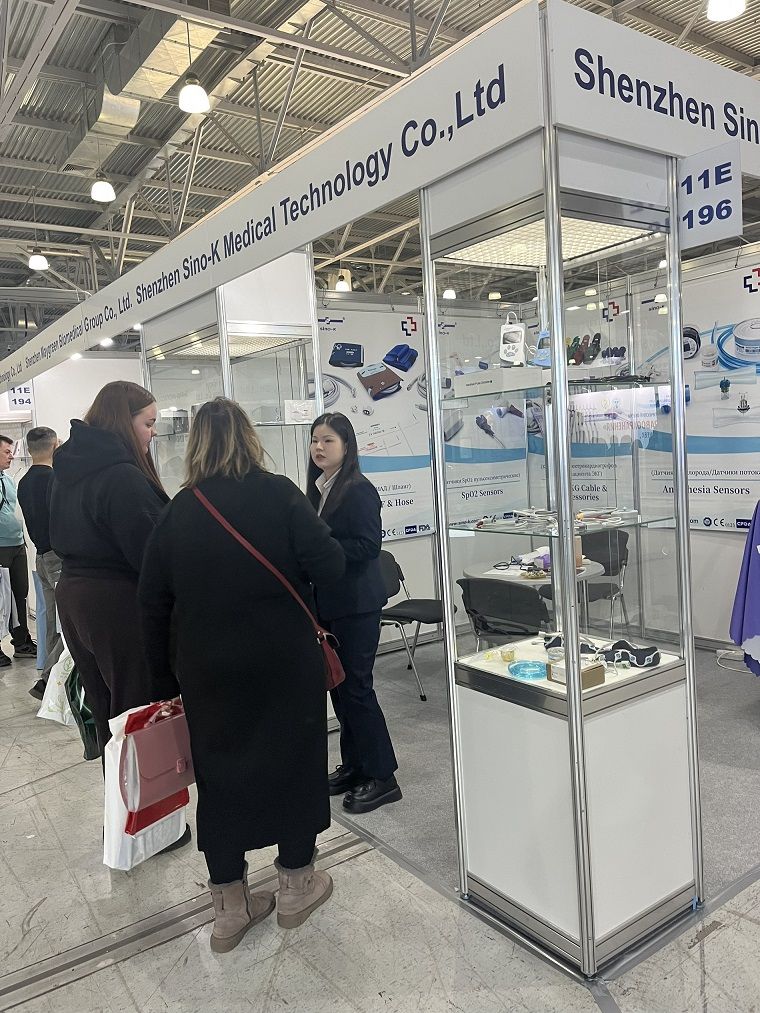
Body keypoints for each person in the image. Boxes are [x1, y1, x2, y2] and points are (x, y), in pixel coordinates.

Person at [139, 398, 345, 953]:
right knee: (295, 763)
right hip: (284, 661)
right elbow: (330, 566)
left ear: (194, 445)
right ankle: (296, 885)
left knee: (220, 776)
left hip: (209, 669)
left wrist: (163, 683)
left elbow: (151, 603)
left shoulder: (179, 511)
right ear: (250, 439)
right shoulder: (281, 494)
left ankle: (230, 906)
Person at [49, 383, 182, 780]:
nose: (152, 433)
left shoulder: (67, 470)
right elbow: (150, 554)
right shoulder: (121, 476)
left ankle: (122, 801)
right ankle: (144, 803)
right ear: (125, 421)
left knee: (107, 706)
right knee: (136, 709)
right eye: (148, 423)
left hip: (75, 597)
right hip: (116, 603)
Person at [307, 412, 402, 815]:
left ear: (347, 446)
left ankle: (383, 776)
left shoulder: (358, 489)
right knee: (340, 689)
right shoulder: (318, 488)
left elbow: (367, 546)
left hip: (357, 605)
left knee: (357, 689)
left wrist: (319, 551)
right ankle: (355, 765)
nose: (319, 447)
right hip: (328, 604)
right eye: (315, 440)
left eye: (328, 440)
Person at [18, 426, 63, 699]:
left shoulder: (24, 482)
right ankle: (47, 680)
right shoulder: (55, 479)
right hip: (58, 558)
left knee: (52, 622)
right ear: (55, 446)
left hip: (41, 557)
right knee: (67, 625)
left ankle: (49, 675)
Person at [0, 435, 37, 667]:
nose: (11, 456)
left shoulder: (9, 480)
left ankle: (22, 642)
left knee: (19, 594)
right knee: (0, 599)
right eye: (6, 452)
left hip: (16, 544)